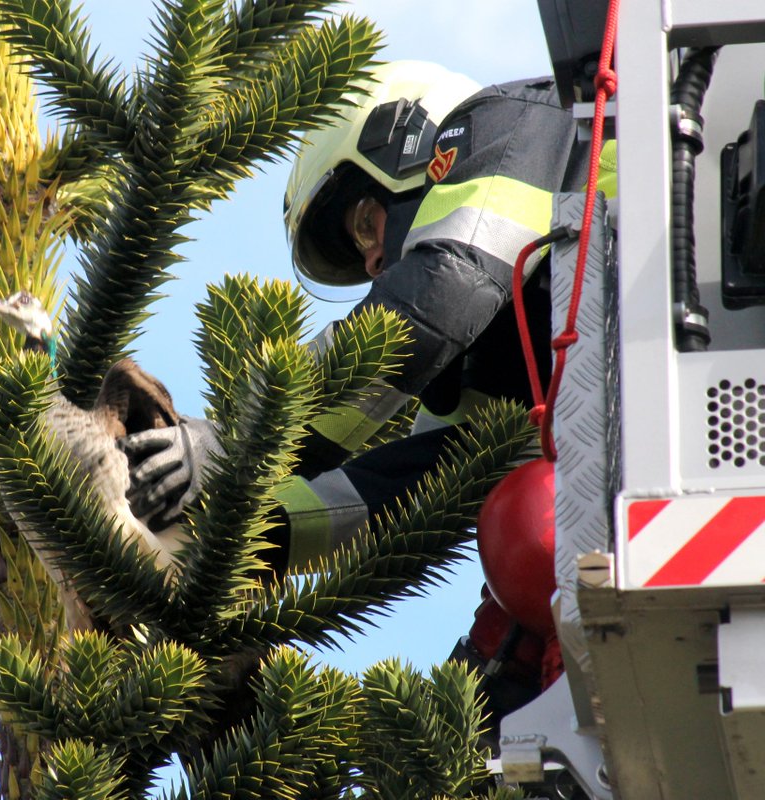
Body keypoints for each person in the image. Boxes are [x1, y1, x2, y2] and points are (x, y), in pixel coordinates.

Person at [120, 61, 611, 715]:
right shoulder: (498, 346)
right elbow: (409, 488)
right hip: (637, 486)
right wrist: (238, 536)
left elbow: (441, 294)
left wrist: (234, 443)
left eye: (363, 227)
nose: (375, 262)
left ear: (412, 147)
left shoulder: (509, 124)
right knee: (498, 710)